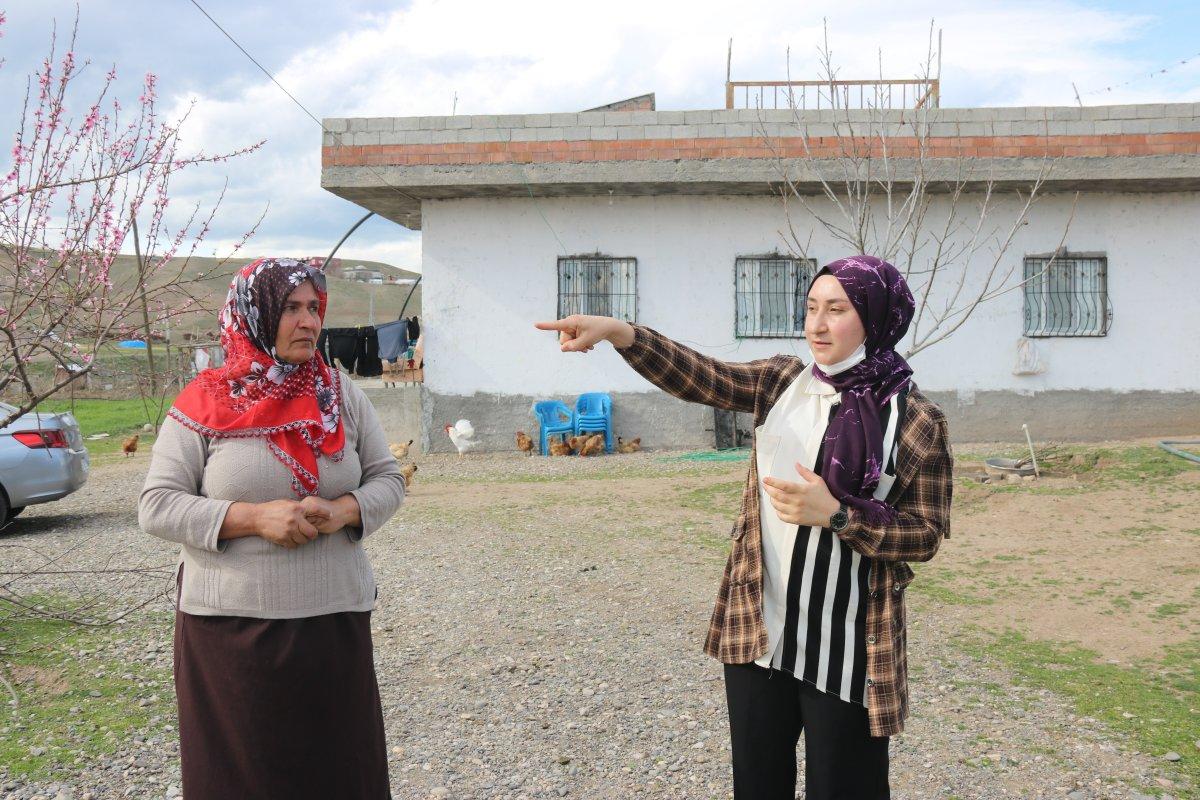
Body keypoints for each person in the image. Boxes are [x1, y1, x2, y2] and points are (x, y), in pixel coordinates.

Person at [535, 255, 952, 799]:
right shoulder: (782, 383)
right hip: (759, 633)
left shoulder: (916, 420)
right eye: (811, 308)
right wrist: (622, 334)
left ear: (876, 318)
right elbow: (701, 376)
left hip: (849, 646)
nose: (817, 325)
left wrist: (839, 515)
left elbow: (926, 534)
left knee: (846, 788)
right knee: (757, 786)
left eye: (837, 310)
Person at [139, 257, 405, 799]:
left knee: (340, 775)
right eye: (290, 308)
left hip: (333, 622)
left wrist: (345, 510)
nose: (309, 321)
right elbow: (157, 505)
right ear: (255, 315)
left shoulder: (341, 395)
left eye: (313, 307)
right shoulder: (205, 400)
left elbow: (388, 479)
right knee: (242, 780)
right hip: (231, 634)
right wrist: (253, 519)